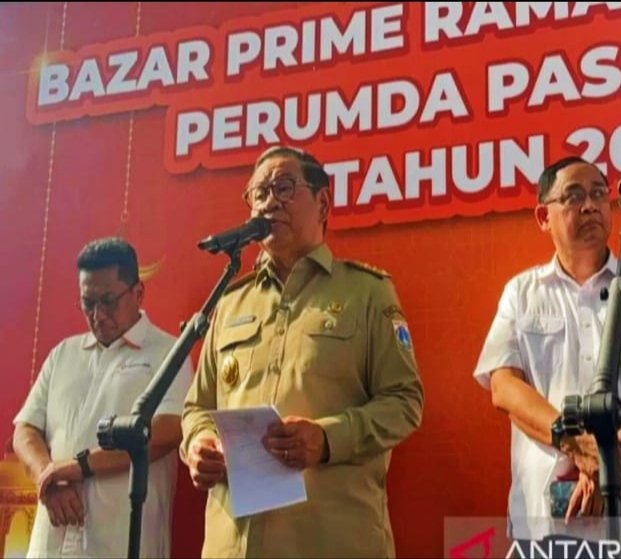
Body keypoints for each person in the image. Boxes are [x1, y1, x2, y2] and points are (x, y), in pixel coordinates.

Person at [181, 145, 424, 558]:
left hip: (329, 541)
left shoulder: (367, 293)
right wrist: (200, 442)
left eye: (284, 187)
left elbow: (405, 402)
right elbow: (197, 407)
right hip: (233, 545)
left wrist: (327, 439)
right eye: (259, 193)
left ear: (323, 203)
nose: (269, 202)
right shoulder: (230, 302)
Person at [474, 157, 621, 557]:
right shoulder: (522, 293)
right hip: (547, 524)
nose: (590, 206)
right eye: (573, 196)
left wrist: (608, 460)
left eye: (599, 194)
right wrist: (573, 443)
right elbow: (504, 386)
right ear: (543, 217)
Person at [13, 238, 193, 558]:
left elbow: (166, 431)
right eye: (88, 303)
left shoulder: (168, 353)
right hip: (51, 543)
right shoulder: (63, 354)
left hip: (122, 543)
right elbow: (25, 430)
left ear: (138, 293)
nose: (98, 315)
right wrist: (48, 478)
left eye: (109, 301)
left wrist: (77, 467)